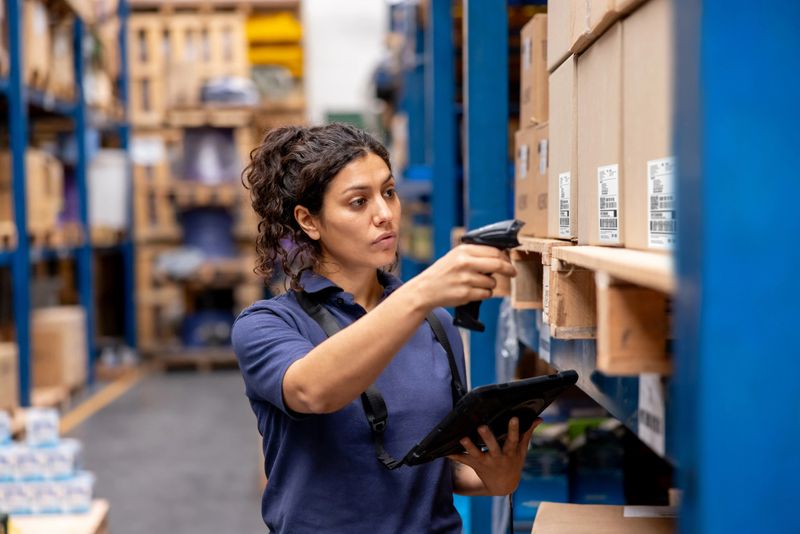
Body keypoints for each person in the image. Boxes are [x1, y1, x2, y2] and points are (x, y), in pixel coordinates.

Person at [232, 123, 540, 533]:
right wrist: (418, 294)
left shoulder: (435, 324)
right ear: (309, 221)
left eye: (389, 192)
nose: (385, 214)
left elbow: (438, 467)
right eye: (358, 201)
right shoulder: (267, 325)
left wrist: (495, 478)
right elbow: (313, 389)